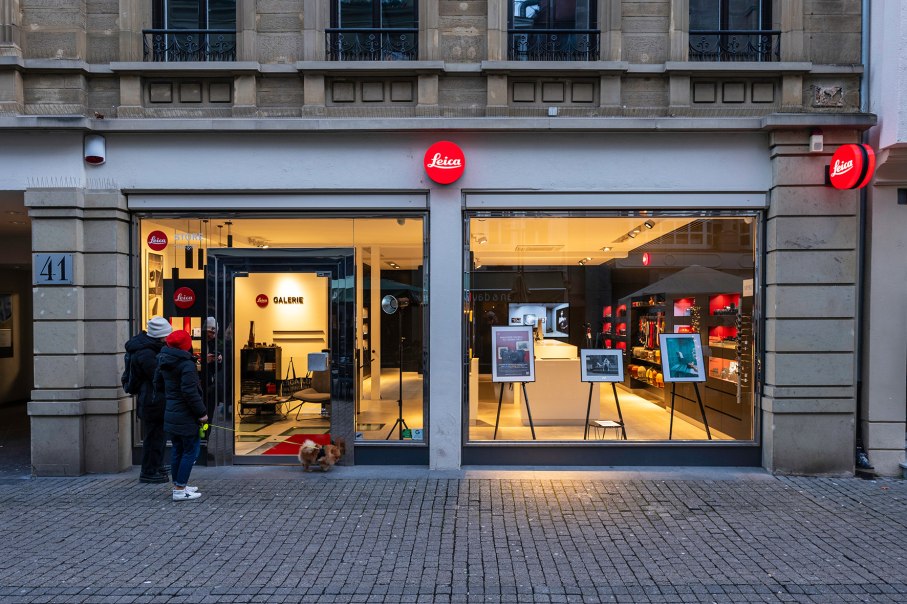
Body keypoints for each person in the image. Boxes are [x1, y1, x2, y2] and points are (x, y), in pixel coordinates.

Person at [154, 330, 208, 501]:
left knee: (178, 449)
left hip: (171, 412)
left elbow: (158, 385)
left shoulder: (163, 360)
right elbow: (190, 392)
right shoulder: (186, 364)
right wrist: (202, 413)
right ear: (186, 345)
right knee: (191, 451)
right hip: (185, 414)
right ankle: (179, 488)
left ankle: (179, 483)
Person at [126, 316, 173, 484]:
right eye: (166, 334)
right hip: (152, 401)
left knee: (158, 437)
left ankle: (156, 465)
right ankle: (149, 471)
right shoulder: (146, 352)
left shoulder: (151, 348)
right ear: (159, 335)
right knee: (153, 437)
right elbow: (156, 376)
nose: (168, 338)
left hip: (154, 400)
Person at [202, 317, 223, 418]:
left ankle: (207, 432)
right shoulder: (199, 343)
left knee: (209, 417)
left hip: (210, 385)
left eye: (215, 333)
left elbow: (218, 369)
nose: (213, 336)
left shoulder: (213, 344)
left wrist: (218, 360)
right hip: (202, 385)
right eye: (211, 332)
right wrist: (204, 361)